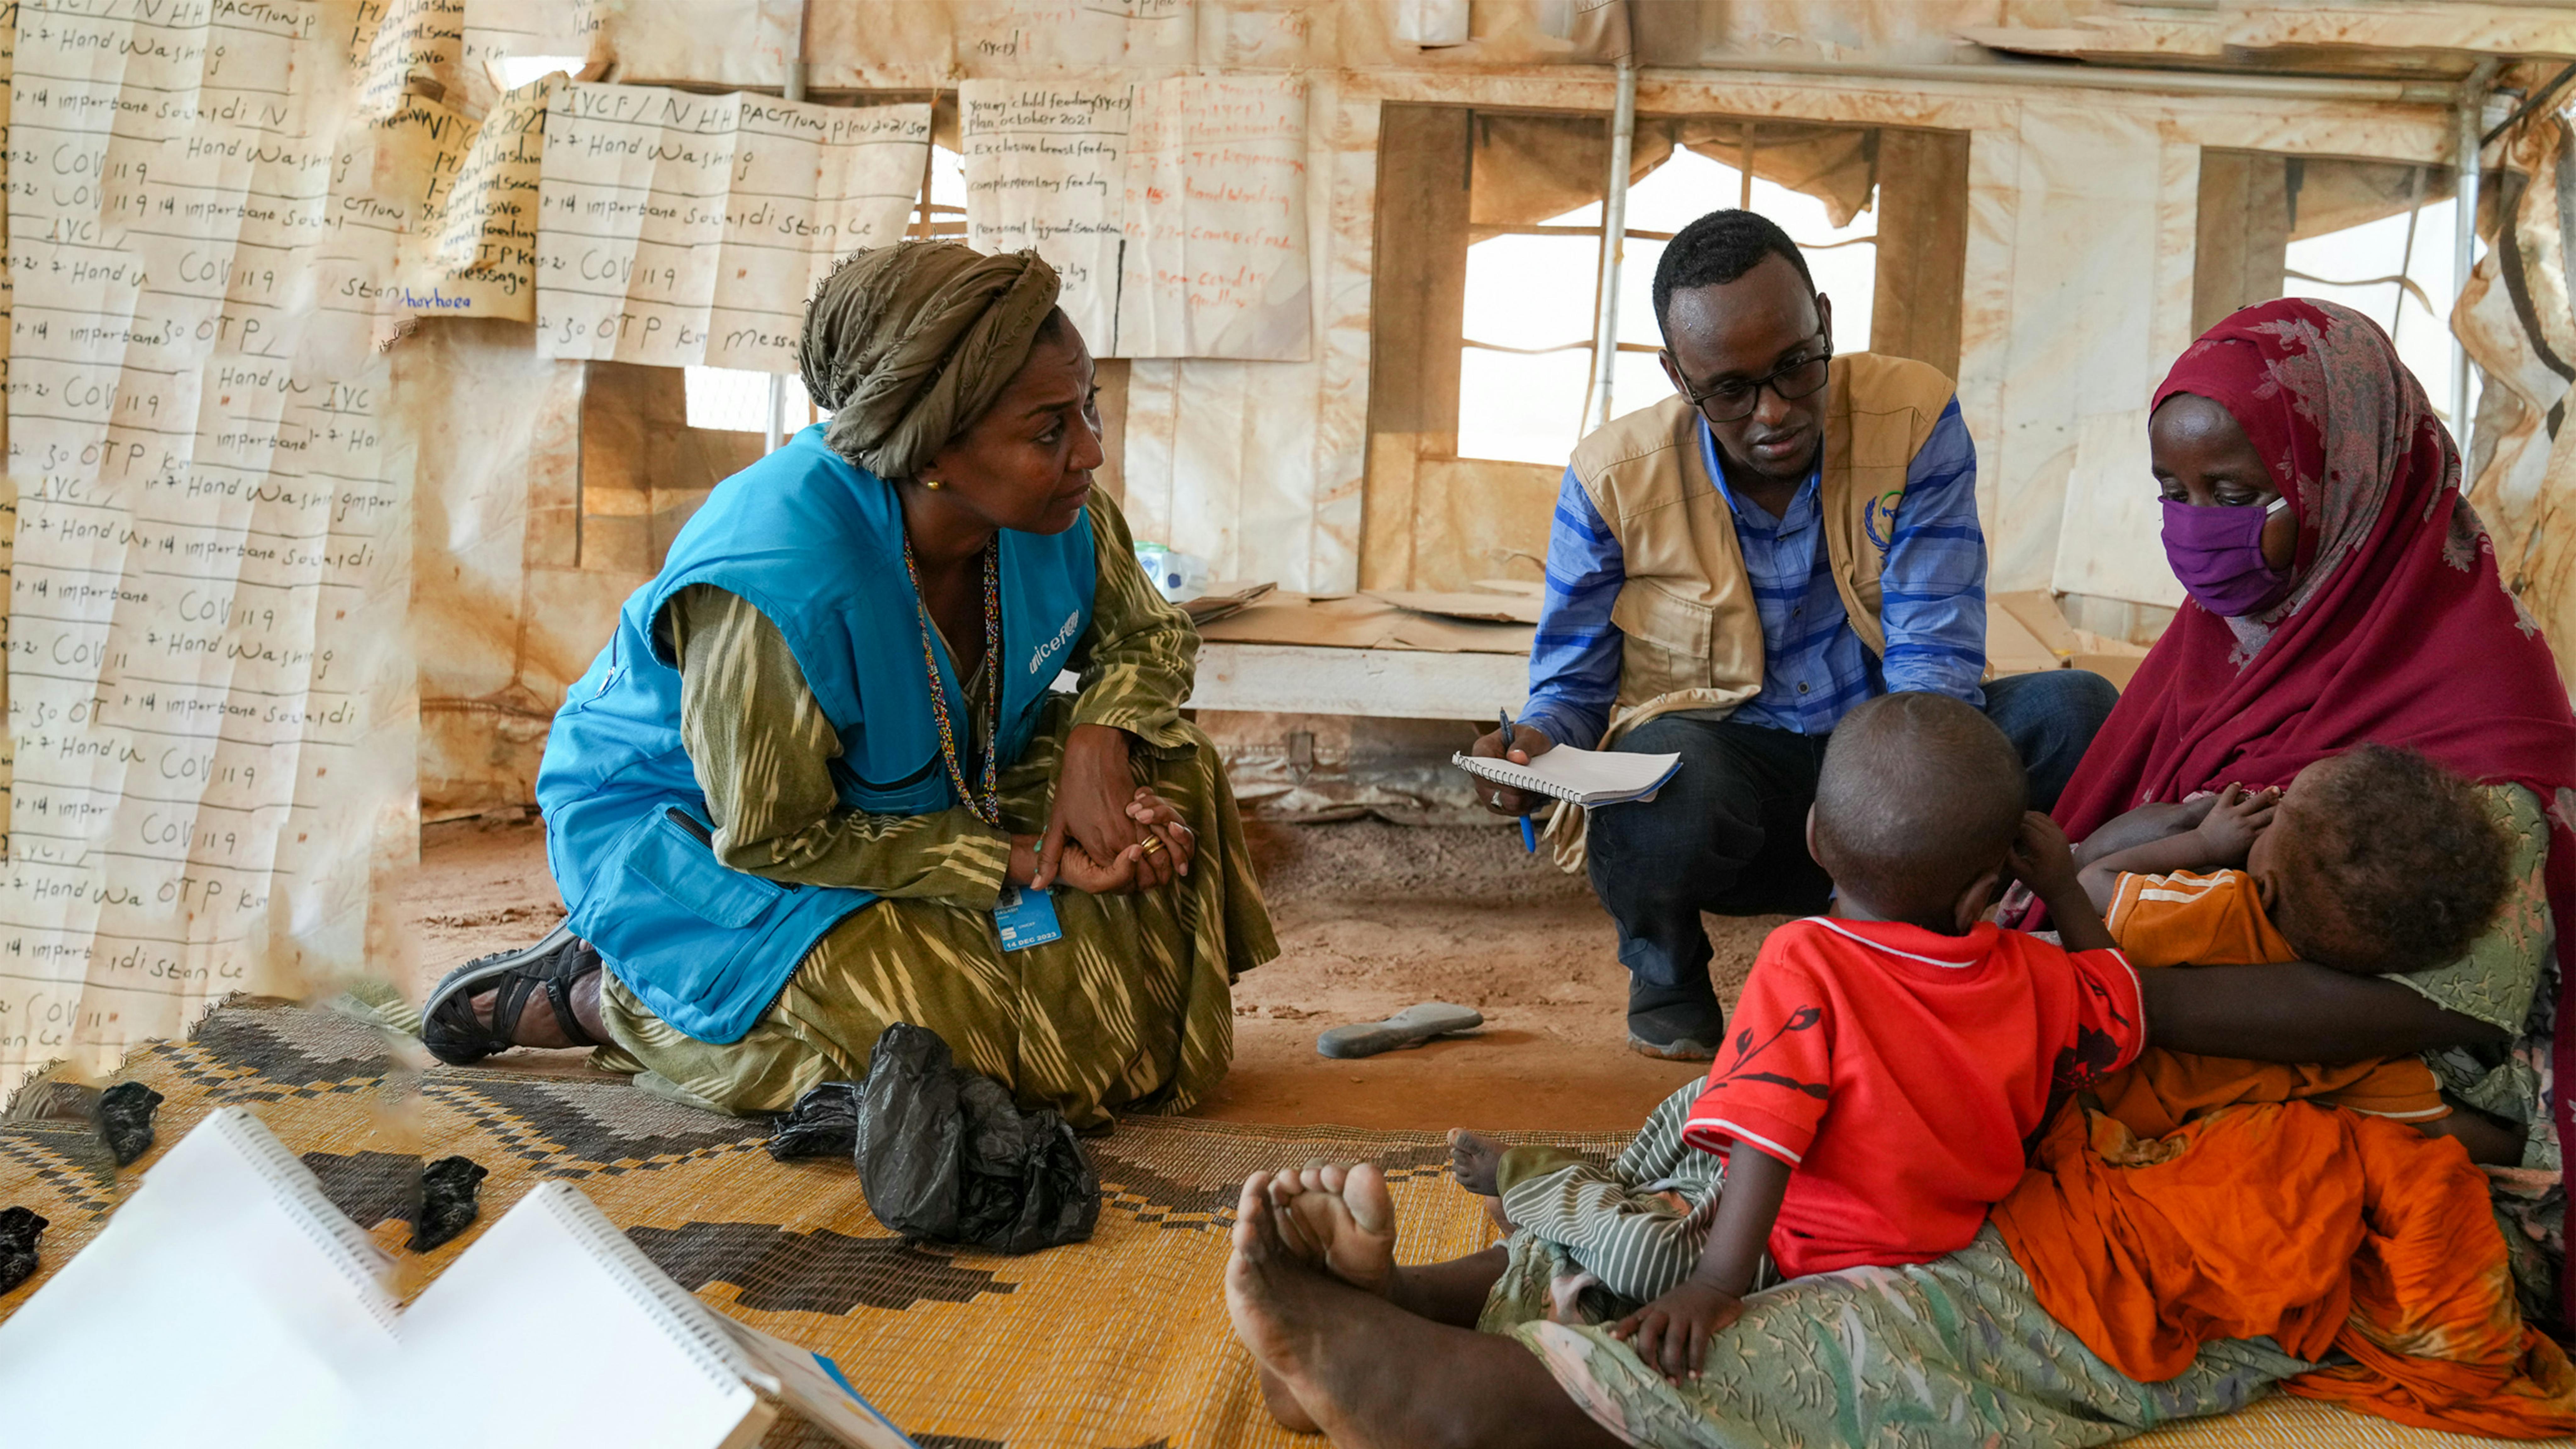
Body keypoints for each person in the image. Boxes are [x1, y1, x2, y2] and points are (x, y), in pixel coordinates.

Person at [1217, 297, 2576, 1447]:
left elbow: (2446, 1011)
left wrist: (2085, 993)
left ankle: (1506, 1398)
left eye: (2234, 495)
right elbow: (2096, 850)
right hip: (2099, 1029)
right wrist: (2020, 975)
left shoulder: (2476, 721)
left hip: (2328, 1121)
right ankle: (1456, 1294)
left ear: (2349, 484)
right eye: (2170, 492)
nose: (2195, 529)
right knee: (1796, 1092)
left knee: (1987, 1285)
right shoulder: (2237, 639)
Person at [417, 242, 1277, 1131]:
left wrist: (1099, 749)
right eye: (1050, 429)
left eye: (1086, 408)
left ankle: (1023, 1033)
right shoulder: (774, 583)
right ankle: (611, 996)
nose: (1090, 451)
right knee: (937, 1038)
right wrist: (1011, 859)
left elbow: (1147, 634)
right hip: (706, 835)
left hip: (931, 785)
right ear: (933, 448)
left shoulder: (1058, 508)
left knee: (1173, 770)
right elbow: (773, 838)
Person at [1463, 209, 2117, 1060]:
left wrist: (1896, 808)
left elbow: (1934, 654)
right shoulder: (1611, 477)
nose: (1773, 412)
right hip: (1741, 789)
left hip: (1892, 768)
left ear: (1826, 324)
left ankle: (1984, 943)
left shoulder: (1913, 416)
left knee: (2076, 711)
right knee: (1650, 777)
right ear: (1676, 376)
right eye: (1730, 390)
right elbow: (1575, 689)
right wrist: (1536, 749)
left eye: (1796, 368)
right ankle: (1666, 966)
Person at [1448, 693, 2145, 1386]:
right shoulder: (2036, 974)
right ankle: (1619, 1183)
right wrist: (2061, 886)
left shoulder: (1802, 958)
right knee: (1700, 1105)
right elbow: (2121, 1004)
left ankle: (1539, 1181)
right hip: (1893, 1222)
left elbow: (1767, 1135)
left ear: (1813, 838)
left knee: (1639, 1253)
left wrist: (1717, 1283)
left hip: (1782, 1241)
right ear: (1980, 895)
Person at [2066, 751, 2514, 1138]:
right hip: (2139, 1125)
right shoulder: (2366, 1049)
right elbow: (2443, 1127)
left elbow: (2091, 881)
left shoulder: (2219, 909)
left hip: (2089, 1072)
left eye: (2279, 816)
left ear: (2265, 887)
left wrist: (2203, 843)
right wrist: (2517, 1142)